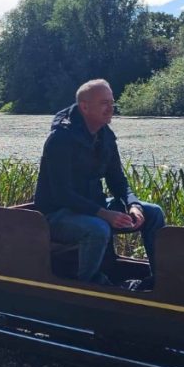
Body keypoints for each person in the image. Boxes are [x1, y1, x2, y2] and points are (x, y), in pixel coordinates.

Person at [33, 78, 165, 289]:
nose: (111, 108)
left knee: (154, 212)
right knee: (98, 229)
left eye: (112, 102)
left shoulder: (105, 136)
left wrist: (133, 204)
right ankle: (90, 285)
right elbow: (62, 194)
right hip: (56, 215)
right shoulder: (60, 139)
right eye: (104, 103)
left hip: (93, 208)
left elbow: (118, 181)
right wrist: (104, 214)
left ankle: (159, 279)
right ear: (85, 107)